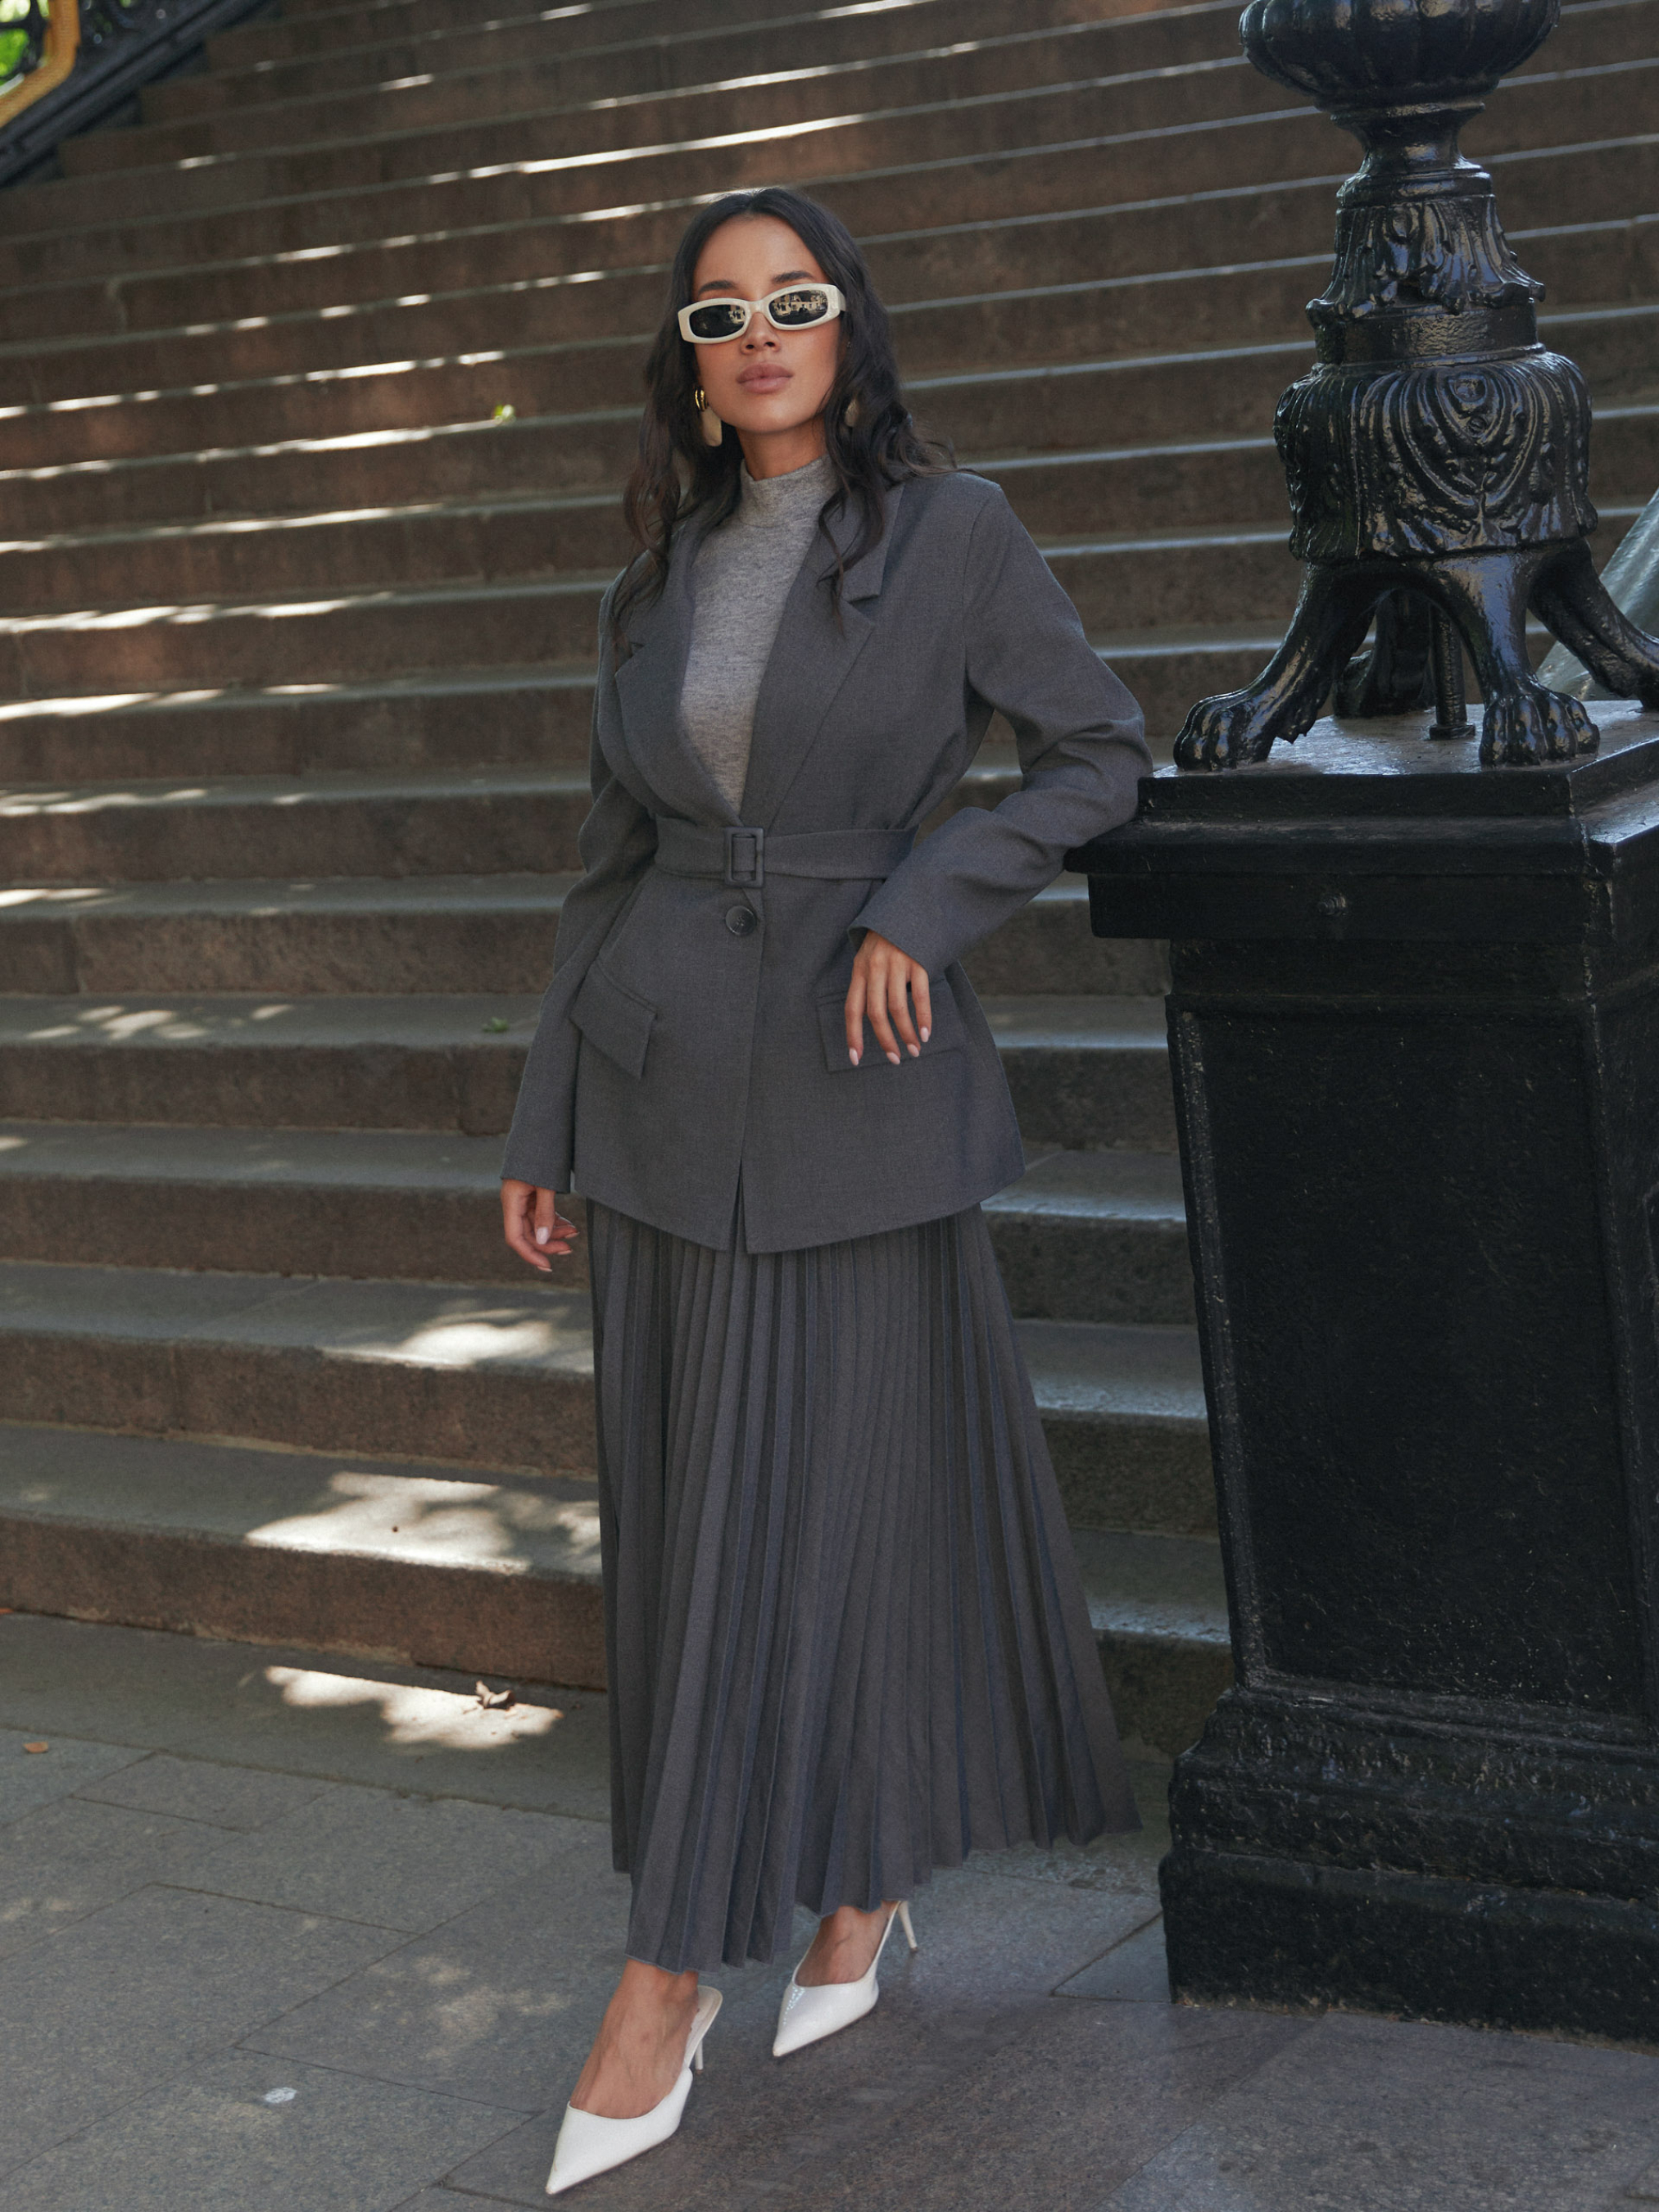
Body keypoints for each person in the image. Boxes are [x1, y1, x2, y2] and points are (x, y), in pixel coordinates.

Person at [499, 184, 1151, 2198]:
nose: (759, 333)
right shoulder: (651, 582)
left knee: (813, 1518)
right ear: (691, 370)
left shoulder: (955, 535)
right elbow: (605, 868)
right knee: (697, 1530)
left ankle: (668, 1974)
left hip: (856, 1097)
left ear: (848, 329)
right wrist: (540, 1119)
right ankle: (851, 1888)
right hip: (655, 1097)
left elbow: (1096, 753)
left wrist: (919, 906)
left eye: (793, 299)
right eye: (718, 314)